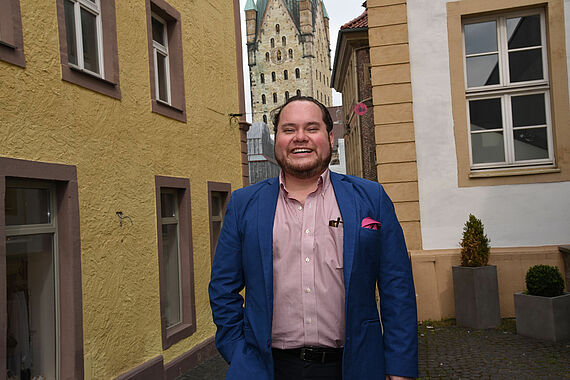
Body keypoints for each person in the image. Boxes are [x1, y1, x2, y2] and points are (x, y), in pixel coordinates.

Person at [209, 96, 418, 380]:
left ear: (330, 137)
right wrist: (239, 355)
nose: (300, 138)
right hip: (266, 369)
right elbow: (223, 289)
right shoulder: (244, 204)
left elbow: (397, 288)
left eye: (311, 128)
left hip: (354, 367)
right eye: (288, 129)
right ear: (276, 139)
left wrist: (399, 367)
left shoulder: (371, 198)